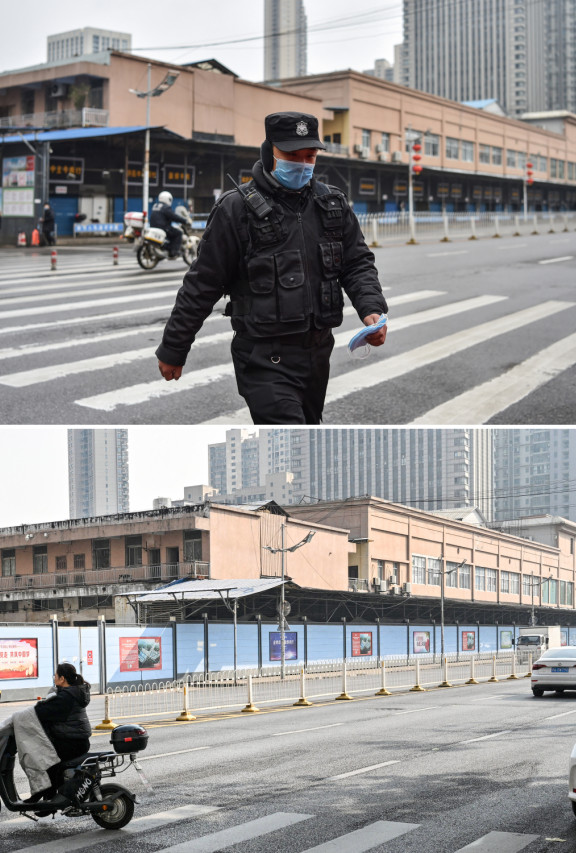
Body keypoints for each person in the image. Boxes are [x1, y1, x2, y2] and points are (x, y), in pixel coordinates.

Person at [156, 111, 388, 424]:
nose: (303, 164)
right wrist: (174, 347)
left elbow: (357, 263)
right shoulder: (236, 208)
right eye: (292, 155)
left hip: (318, 352)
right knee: (288, 441)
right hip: (263, 356)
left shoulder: (332, 205)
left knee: (307, 435)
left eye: (310, 156)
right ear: (270, 152)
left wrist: (371, 307)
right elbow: (203, 283)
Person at [27, 662, 92, 804]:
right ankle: (49, 794)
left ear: (62, 678)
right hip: (78, 741)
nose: (54, 678)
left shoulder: (66, 696)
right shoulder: (73, 692)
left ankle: (49, 797)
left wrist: (26, 716)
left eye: (55, 676)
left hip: (73, 742)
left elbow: (43, 711)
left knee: (46, 758)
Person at [149, 191, 187, 259]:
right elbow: (173, 216)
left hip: (153, 226)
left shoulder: (155, 205)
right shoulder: (165, 207)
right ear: (167, 199)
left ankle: (167, 248)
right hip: (163, 227)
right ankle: (174, 252)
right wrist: (183, 220)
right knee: (179, 233)